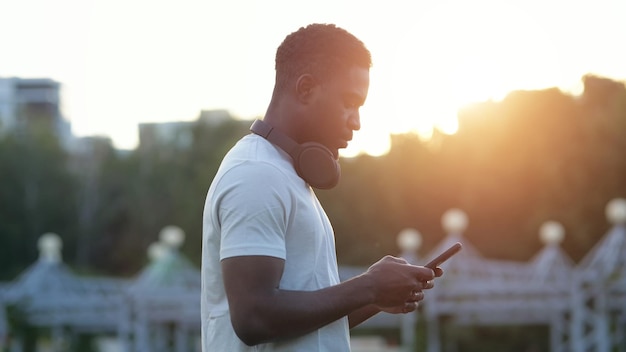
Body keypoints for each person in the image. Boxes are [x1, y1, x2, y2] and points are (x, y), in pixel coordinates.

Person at [201, 23, 442, 351]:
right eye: (349, 102)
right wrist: (368, 287)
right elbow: (254, 317)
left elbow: (303, 324)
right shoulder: (256, 174)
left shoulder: (285, 174)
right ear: (305, 89)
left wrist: (377, 297)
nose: (356, 121)